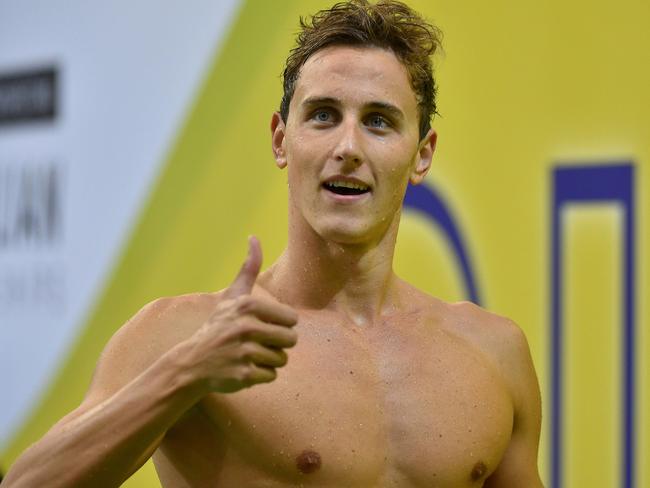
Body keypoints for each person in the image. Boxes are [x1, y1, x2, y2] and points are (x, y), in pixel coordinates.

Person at [3, 1, 543, 486]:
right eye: (323, 115)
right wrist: (185, 375)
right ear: (282, 140)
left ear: (421, 153)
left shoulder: (492, 353)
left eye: (378, 121)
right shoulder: (185, 336)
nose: (348, 146)